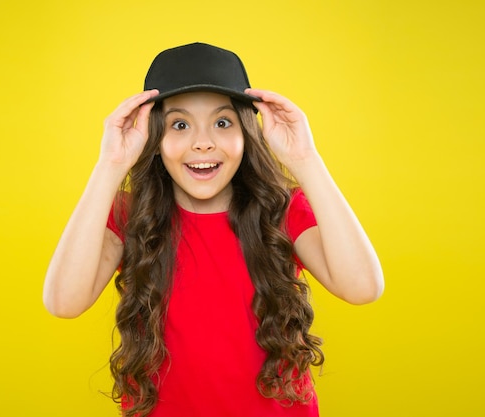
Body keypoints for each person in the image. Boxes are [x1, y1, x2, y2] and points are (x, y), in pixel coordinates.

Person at [43, 42, 384, 417]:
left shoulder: (281, 211)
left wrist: (305, 159)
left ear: (246, 135)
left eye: (222, 123)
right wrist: (110, 164)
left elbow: (363, 287)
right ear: (155, 139)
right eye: (180, 124)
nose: (202, 142)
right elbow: (63, 301)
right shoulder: (129, 215)